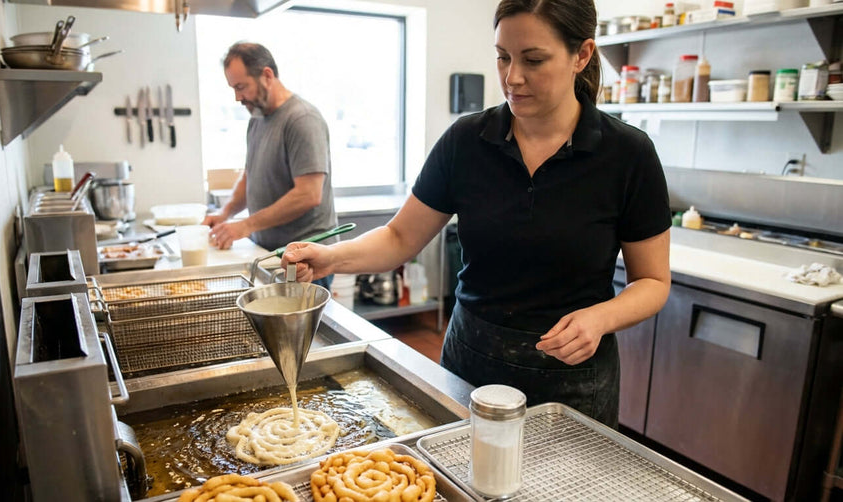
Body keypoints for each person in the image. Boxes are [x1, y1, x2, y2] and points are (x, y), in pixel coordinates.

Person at [281, 0, 671, 428]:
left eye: (533, 60)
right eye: (502, 57)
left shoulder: (627, 154)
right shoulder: (466, 142)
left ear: (582, 55)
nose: (512, 77)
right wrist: (330, 257)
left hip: (572, 377)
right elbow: (398, 239)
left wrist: (601, 317)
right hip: (470, 363)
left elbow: (652, 282)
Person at [203, 42, 338, 289]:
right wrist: (226, 213)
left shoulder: (301, 119)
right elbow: (250, 176)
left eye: (241, 87)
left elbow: (308, 195)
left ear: (267, 75)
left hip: (303, 263)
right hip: (270, 255)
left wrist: (246, 225)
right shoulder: (257, 120)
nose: (237, 97)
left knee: (302, 328)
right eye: (233, 89)